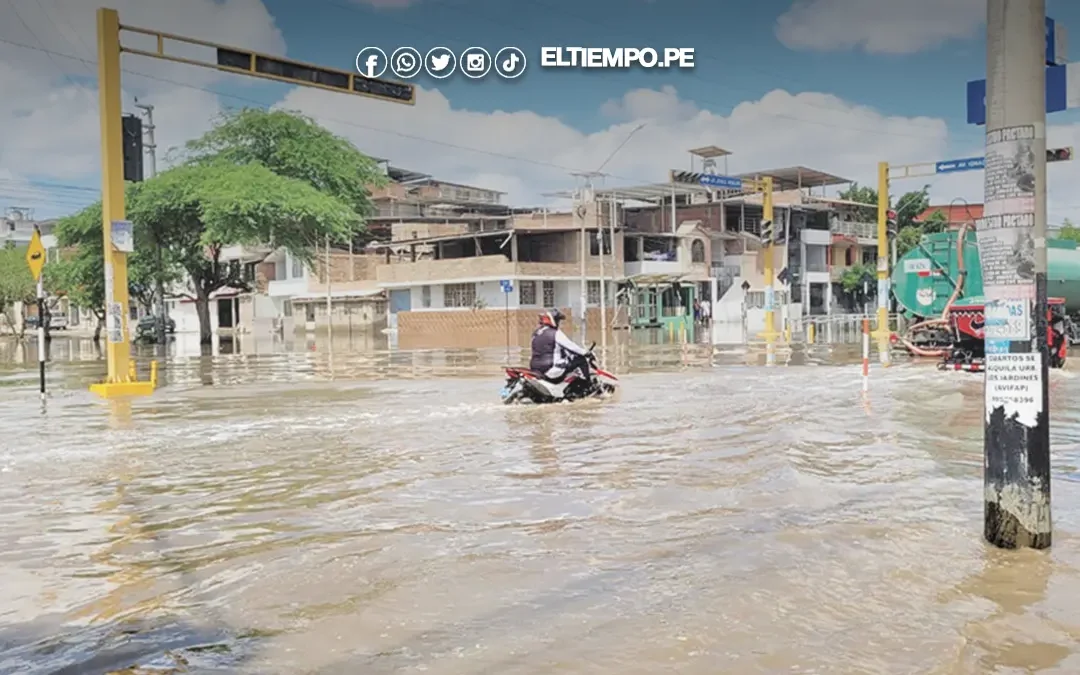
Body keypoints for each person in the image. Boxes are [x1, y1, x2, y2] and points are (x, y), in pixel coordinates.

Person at [529, 309, 591, 383]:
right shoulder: (556, 333)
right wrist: (585, 353)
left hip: (535, 368)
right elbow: (571, 346)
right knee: (581, 360)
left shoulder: (536, 333)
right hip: (550, 369)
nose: (559, 323)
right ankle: (587, 384)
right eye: (558, 320)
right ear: (553, 320)